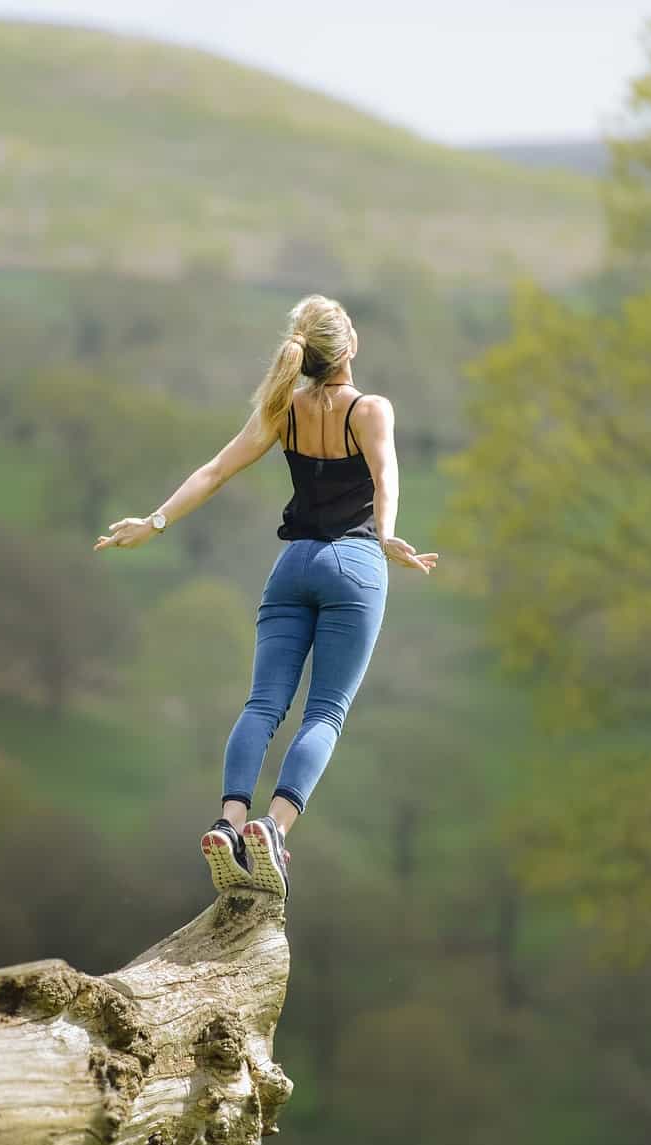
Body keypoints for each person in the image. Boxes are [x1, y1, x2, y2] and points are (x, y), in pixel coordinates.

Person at [93, 294, 437, 898]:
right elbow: (386, 474)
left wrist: (155, 523)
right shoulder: (371, 409)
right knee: (325, 712)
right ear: (348, 347)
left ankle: (227, 824)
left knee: (262, 706)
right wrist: (385, 537)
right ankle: (272, 830)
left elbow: (215, 470)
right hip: (353, 566)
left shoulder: (286, 410)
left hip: (292, 568)